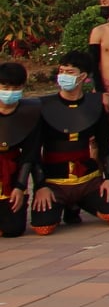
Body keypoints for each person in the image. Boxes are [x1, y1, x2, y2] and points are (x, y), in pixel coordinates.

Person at [29, 51, 109, 232]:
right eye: (61, 71)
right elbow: (34, 151)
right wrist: (40, 186)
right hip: (54, 182)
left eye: (70, 72)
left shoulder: (95, 105)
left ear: (83, 76)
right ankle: (67, 206)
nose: (63, 76)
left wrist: (108, 179)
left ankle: (78, 203)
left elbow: (105, 146)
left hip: (88, 180)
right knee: (43, 228)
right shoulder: (44, 106)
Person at [0, 62, 40, 238]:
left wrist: (20, 186)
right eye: (5, 88)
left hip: (12, 173)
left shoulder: (30, 113)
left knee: (14, 229)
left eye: (15, 88)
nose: (10, 92)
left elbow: (30, 153)